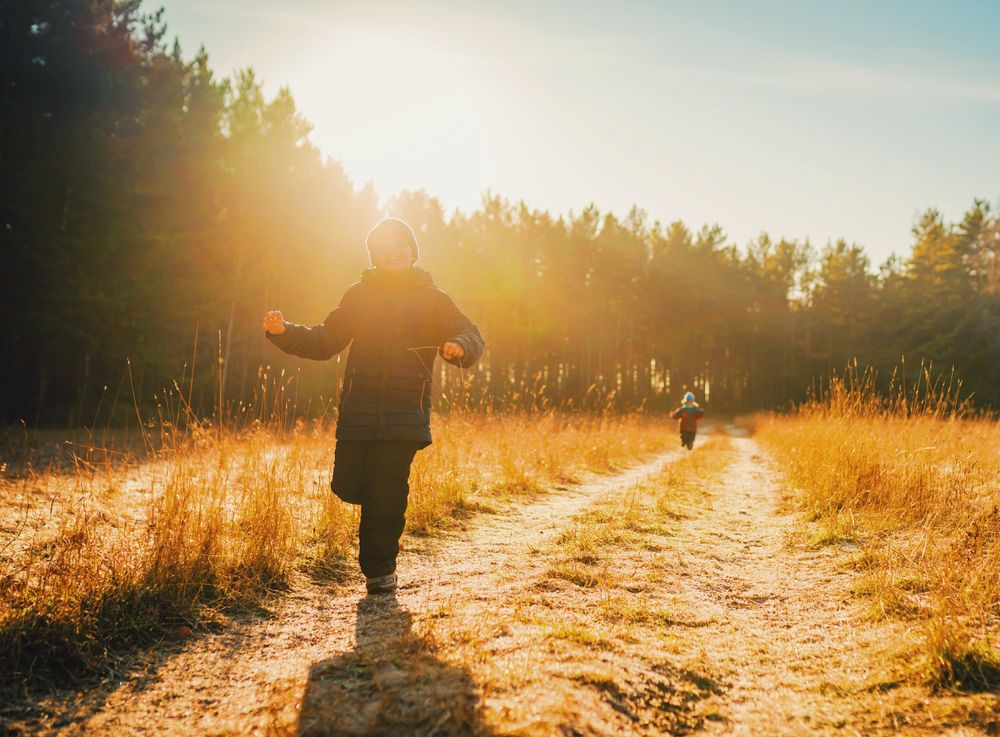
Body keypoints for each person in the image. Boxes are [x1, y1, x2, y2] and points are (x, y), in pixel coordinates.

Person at [262, 217, 484, 595]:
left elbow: (470, 332)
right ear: (374, 256)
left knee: (386, 492)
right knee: (347, 485)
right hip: (359, 412)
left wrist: (460, 346)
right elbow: (325, 339)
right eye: (383, 246)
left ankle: (380, 571)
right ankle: (378, 534)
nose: (392, 251)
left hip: (404, 415)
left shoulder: (433, 298)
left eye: (400, 244)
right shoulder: (359, 296)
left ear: (412, 252)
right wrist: (284, 333)